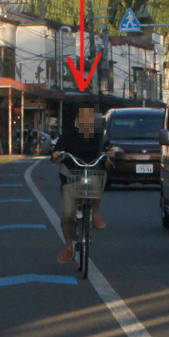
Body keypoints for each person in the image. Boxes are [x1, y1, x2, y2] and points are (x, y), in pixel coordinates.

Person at [52, 108, 107, 264]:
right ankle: (69, 246)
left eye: (90, 118)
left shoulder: (98, 136)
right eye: (84, 118)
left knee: (100, 180)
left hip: (92, 175)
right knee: (67, 215)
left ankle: (95, 213)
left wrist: (111, 152)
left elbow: (108, 146)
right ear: (77, 119)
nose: (87, 121)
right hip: (71, 178)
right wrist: (57, 154)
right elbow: (57, 151)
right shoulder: (68, 134)